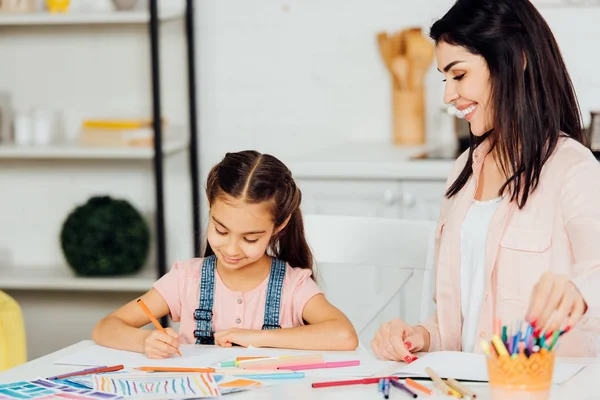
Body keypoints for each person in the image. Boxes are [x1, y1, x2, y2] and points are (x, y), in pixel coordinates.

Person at [371, 0, 600, 362]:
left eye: (458, 75)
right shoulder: (463, 173)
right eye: (444, 79)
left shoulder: (572, 169)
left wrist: (578, 294)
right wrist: (422, 336)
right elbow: (465, 316)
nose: (448, 95)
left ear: (516, 59)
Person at [93, 150, 358, 358]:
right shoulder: (186, 279)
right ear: (210, 206)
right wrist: (144, 341)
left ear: (279, 226)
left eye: (250, 238)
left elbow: (344, 335)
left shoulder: (293, 285)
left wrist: (255, 338)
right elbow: (106, 327)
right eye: (221, 231)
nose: (231, 249)